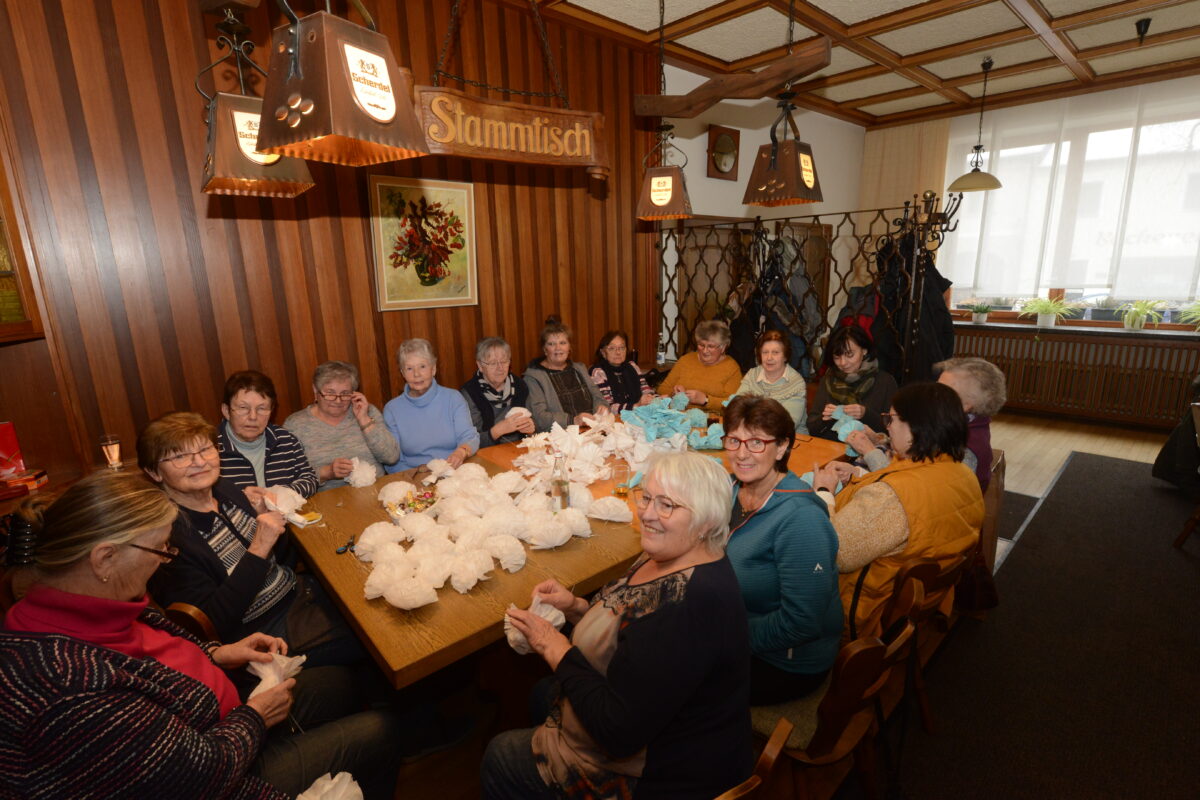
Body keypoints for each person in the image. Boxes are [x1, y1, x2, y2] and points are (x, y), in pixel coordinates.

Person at [0, 469, 401, 799]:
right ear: (105, 557)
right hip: (219, 771)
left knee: (340, 682)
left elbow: (162, 651)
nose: (164, 561)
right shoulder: (69, 686)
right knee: (382, 731)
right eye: (160, 550)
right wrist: (255, 719)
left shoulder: (88, 601)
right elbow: (193, 777)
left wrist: (217, 653)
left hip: (220, 714)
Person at [481, 451, 753, 799]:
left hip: (667, 773)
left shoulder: (687, 605)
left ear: (705, 523)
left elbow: (619, 732)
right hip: (652, 723)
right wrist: (577, 607)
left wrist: (555, 646)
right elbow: (631, 622)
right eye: (648, 497)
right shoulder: (676, 552)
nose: (648, 513)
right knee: (541, 694)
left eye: (667, 505)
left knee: (501, 755)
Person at [141, 412, 364, 667]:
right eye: (180, 456)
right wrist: (259, 545)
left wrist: (271, 520)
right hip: (265, 631)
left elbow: (280, 561)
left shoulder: (225, 489)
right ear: (154, 472)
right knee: (369, 635)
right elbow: (214, 624)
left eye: (205, 449)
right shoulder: (167, 540)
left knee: (364, 593)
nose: (199, 462)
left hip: (297, 591)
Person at [811, 383, 985, 639]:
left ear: (915, 429)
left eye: (891, 419)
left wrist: (824, 493)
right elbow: (907, 488)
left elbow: (836, 552)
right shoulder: (962, 474)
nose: (887, 426)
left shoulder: (891, 497)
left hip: (863, 614)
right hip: (913, 600)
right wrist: (857, 474)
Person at [723, 396, 841, 704]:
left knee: (662, 676)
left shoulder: (801, 519)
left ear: (782, 447)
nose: (742, 453)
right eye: (734, 440)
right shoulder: (734, 490)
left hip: (782, 663)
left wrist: (718, 635)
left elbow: (802, 624)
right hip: (736, 626)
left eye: (757, 442)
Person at [284, 361, 400, 491]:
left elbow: (391, 457)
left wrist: (363, 419)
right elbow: (288, 477)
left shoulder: (367, 411)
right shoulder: (296, 425)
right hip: (325, 502)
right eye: (330, 393)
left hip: (375, 494)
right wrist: (326, 473)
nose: (338, 400)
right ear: (316, 390)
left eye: (345, 393)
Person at [217, 370, 318, 502]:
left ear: (271, 411)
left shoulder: (286, 440)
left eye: (262, 408)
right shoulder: (211, 449)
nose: (253, 417)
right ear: (226, 410)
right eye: (243, 407)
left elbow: (310, 479)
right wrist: (245, 500)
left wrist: (277, 495)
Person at [383, 338, 479, 471]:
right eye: (409, 368)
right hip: (413, 477)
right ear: (403, 373)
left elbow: (469, 437)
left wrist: (461, 452)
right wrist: (419, 476)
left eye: (422, 366)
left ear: (433, 369)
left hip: (454, 471)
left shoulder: (453, 398)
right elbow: (393, 462)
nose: (416, 374)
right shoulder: (392, 409)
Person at [807, 324, 897, 440]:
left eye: (850, 354)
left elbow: (894, 429)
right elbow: (812, 429)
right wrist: (825, 419)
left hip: (869, 452)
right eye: (837, 357)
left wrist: (865, 414)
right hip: (830, 450)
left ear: (864, 350)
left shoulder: (885, 382)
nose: (843, 363)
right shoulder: (828, 380)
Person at [935, 357, 1007, 491]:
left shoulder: (966, 451)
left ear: (965, 406)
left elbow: (943, 493)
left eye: (942, 392)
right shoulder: (953, 420)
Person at [524, 316, 609, 430]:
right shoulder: (534, 377)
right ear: (544, 349)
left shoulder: (580, 368)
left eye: (563, 343)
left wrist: (601, 407)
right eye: (551, 344)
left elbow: (598, 397)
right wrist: (573, 420)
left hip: (590, 430)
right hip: (558, 438)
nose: (558, 348)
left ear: (569, 347)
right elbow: (539, 418)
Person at [460, 337, 538, 448]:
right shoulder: (470, 392)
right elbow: (470, 441)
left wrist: (530, 431)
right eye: (492, 363)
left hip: (518, 448)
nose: (500, 368)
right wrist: (497, 431)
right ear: (480, 366)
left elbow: (534, 428)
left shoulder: (520, 385)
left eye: (504, 361)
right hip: (487, 452)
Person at [732, 330, 810, 433]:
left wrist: (753, 414)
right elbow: (737, 409)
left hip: (792, 440)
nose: (769, 358)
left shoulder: (796, 382)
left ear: (785, 356)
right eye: (765, 352)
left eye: (775, 353)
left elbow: (788, 424)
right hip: (751, 434)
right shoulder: (752, 375)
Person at [658, 320, 742, 412]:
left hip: (712, 420)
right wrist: (674, 393)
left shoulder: (731, 368)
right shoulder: (685, 360)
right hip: (678, 415)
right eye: (701, 345)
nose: (705, 351)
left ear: (723, 347)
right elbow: (662, 388)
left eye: (711, 346)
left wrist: (705, 400)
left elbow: (734, 404)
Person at [589, 329, 654, 412]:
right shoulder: (598, 372)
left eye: (622, 347)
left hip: (639, 413)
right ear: (603, 352)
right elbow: (606, 406)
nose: (618, 352)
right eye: (612, 348)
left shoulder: (632, 366)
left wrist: (654, 398)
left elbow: (646, 390)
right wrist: (636, 406)